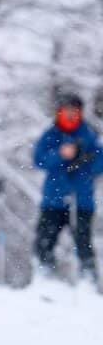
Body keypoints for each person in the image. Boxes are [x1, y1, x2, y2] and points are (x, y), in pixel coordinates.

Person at [32, 93, 102, 282]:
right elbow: (38, 160)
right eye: (66, 111)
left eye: (74, 111)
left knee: (83, 243)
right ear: (59, 112)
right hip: (53, 200)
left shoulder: (89, 135)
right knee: (45, 240)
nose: (70, 115)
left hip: (82, 200)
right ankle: (44, 277)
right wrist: (60, 155)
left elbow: (100, 164)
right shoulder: (50, 135)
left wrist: (86, 158)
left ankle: (88, 281)